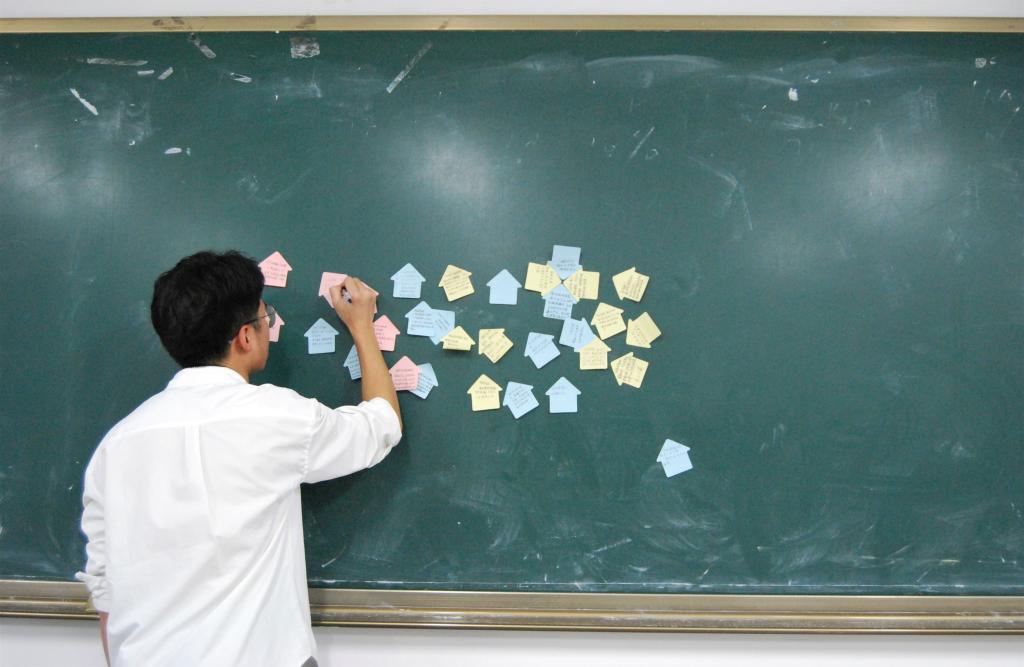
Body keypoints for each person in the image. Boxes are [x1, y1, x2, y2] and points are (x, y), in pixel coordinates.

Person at [76, 250, 402, 667]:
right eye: (267, 318)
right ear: (245, 337)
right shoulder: (278, 417)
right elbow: (381, 425)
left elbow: (105, 593)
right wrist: (361, 326)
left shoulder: (116, 446)